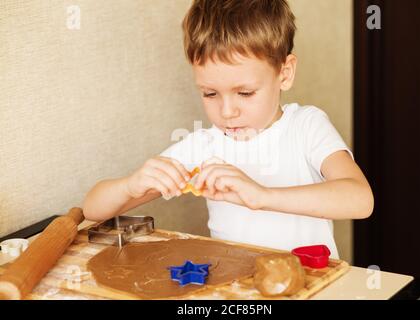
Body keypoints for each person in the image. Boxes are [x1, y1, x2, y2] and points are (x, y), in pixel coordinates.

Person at [83, 0, 374, 259]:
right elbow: (93, 210)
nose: (227, 112)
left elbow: (360, 200)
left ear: (284, 74)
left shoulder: (306, 126)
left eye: (245, 93)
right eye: (210, 94)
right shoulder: (203, 146)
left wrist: (263, 196)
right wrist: (130, 185)